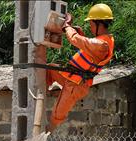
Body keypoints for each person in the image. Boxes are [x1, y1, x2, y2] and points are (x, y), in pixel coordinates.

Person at [46, 3, 115, 132]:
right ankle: (42, 94)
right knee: (50, 70)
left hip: (76, 85)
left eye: (91, 23)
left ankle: (43, 136)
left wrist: (67, 26)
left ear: (97, 23)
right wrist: (78, 32)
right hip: (72, 78)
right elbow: (87, 46)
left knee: (56, 117)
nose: (90, 26)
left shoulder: (101, 44)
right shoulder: (104, 40)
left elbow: (74, 39)